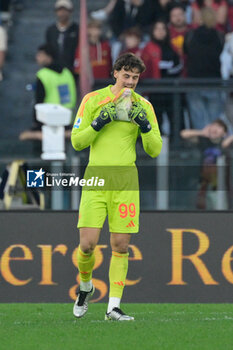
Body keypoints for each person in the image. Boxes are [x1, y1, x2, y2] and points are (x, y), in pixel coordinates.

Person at [71, 53, 162, 321]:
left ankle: (113, 306)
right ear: (115, 73)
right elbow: (77, 142)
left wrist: (144, 126)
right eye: (126, 76)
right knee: (87, 245)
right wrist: (100, 122)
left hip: (125, 182)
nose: (130, 82)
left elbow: (154, 149)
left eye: (135, 77)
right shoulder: (93, 100)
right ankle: (86, 286)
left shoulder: (143, 106)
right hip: (96, 179)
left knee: (120, 245)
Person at [20, 44, 76, 139]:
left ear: (48, 56)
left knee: (24, 136)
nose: (37, 58)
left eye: (40, 55)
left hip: (49, 121)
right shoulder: (67, 72)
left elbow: (39, 100)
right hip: (68, 121)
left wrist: (36, 124)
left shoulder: (43, 75)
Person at [184, 7, 225, 129]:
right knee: (215, 119)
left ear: (200, 18)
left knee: (199, 120)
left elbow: (185, 52)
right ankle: (214, 145)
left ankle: (203, 144)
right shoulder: (220, 36)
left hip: (194, 81)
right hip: (214, 81)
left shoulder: (190, 35)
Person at [141, 20, 183, 139]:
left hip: (171, 89)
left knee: (175, 118)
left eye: (163, 29)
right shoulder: (148, 48)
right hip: (155, 89)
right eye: (157, 29)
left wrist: (169, 68)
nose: (160, 32)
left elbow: (179, 65)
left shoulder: (172, 47)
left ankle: (176, 146)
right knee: (155, 120)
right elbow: (143, 68)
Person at [45, 0, 79, 70]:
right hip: (54, 69)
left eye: (65, 10)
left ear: (70, 12)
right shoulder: (51, 30)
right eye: (59, 10)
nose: (62, 13)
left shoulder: (77, 29)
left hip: (72, 68)